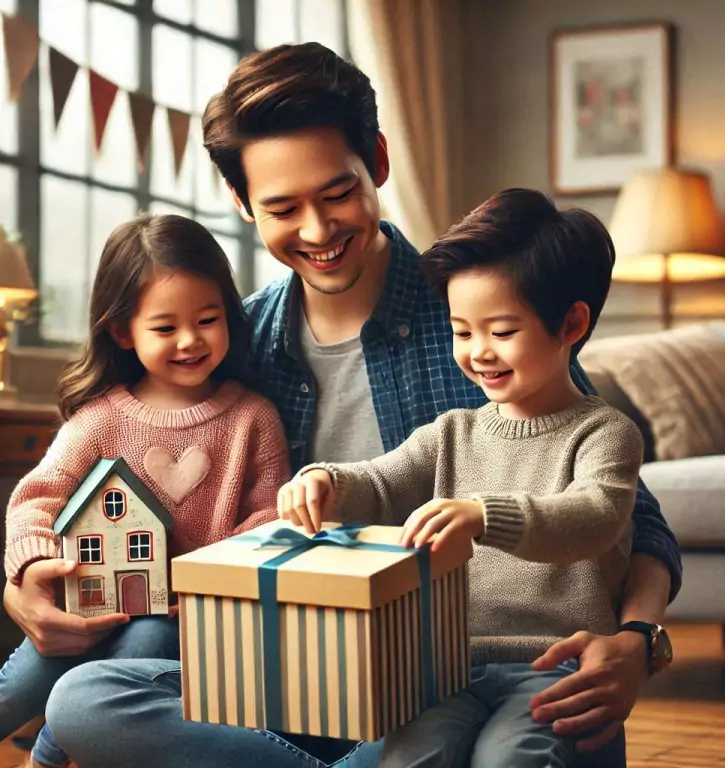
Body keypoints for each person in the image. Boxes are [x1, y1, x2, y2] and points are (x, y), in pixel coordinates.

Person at [39, 43, 680, 768]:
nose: (316, 231)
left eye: (336, 193)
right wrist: (28, 579)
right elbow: (105, 480)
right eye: (282, 207)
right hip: (291, 676)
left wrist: (635, 643)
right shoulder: (227, 342)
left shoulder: (476, 319)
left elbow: (635, 520)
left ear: (376, 159)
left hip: (441, 681)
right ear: (243, 204)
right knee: (86, 699)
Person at [279, 187, 644, 767]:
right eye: (461, 331)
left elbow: (595, 516)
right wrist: (324, 480)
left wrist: (483, 514)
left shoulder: (603, 432)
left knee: (512, 759)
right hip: (447, 665)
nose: (478, 353)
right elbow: (380, 482)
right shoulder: (451, 432)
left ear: (571, 323)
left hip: (554, 663)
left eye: (501, 332)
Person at [1, 214, 290, 767]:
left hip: (182, 618)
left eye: (208, 319)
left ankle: (47, 754)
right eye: (164, 328)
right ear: (121, 331)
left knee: (144, 641)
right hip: (86, 601)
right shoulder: (98, 420)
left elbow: (268, 515)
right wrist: (34, 562)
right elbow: (39, 495)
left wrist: (207, 578)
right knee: (23, 681)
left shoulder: (254, 418)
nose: (190, 340)